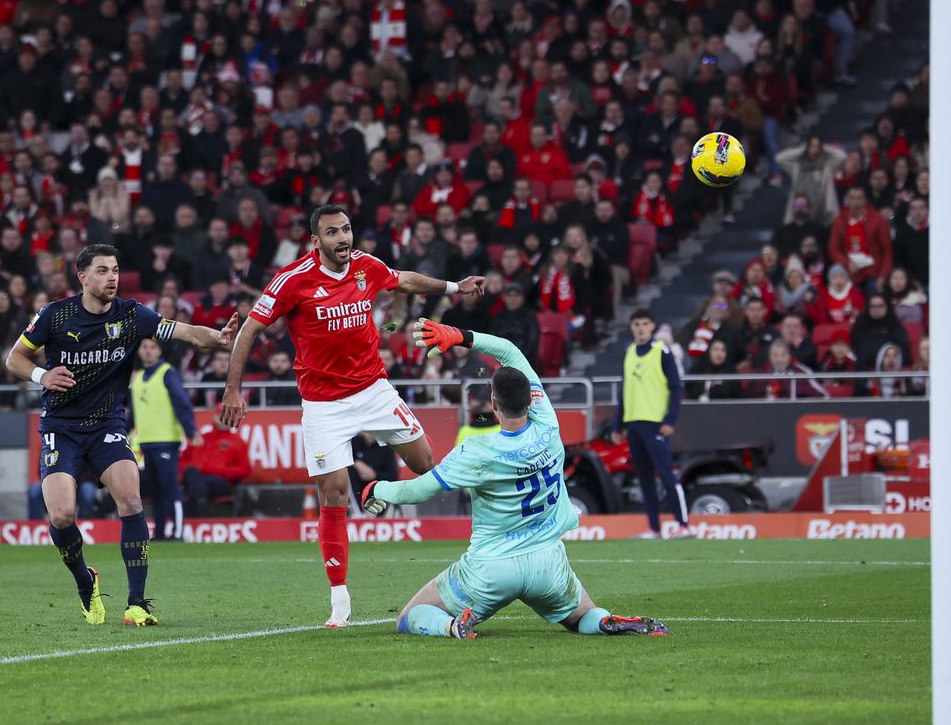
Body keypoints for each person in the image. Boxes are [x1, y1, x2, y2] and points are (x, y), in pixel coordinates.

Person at [218, 204, 486, 628]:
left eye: (346, 230)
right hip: (323, 404)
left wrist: (455, 286)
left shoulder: (366, 265)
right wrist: (232, 388)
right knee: (334, 495)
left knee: (427, 466)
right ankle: (339, 599)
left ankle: (380, 490)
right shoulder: (292, 280)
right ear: (315, 240)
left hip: (373, 391)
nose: (343, 239)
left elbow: (405, 281)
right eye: (333, 232)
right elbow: (250, 329)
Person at [360, 319, 669, 639]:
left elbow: (420, 489)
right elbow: (510, 352)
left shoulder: (478, 450)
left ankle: (453, 625)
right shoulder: (548, 424)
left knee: (412, 616)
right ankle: (605, 623)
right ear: (532, 399)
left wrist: (376, 488)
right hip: (547, 563)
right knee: (583, 616)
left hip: (492, 568)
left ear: (493, 405)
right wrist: (464, 336)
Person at [5, 243, 237, 627]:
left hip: (107, 425)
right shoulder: (55, 315)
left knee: (130, 500)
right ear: (82, 277)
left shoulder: (133, 315)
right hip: (61, 428)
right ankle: (85, 579)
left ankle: (137, 603)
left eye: (115, 269)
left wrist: (220, 338)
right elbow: (15, 357)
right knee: (62, 515)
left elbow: (186, 334)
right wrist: (41, 375)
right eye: (102, 270)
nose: (111, 277)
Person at [615, 309, 690, 539]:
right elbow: (624, 390)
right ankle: (654, 528)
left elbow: (677, 387)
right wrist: (618, 424)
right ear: (631, 327)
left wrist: (670, 420)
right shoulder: (629, 353)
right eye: (636, 323)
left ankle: (683, 525)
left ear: (652, 326)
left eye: (644, 323)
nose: (640, 328)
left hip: (655, 423)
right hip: (634, 423)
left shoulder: (662, 352)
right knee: (644, 477)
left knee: (667, 474)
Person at [130, 337, 201, 542]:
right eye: (144, 347)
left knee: (170, 489)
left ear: (159, 351)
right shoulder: (139, 377)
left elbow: (182, 402)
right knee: (156, 492)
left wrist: (190, 430)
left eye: (153, 347)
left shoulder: (167, 373)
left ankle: (178, 531)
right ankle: (160, 532)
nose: (148, 351)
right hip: (146, 442)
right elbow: (134, 412)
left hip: (166, 440)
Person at [180, 419, 252, 517]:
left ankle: (196, 509)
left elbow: (245, 470)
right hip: (197, 478)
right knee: (191, 473)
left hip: (219, 479)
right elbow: (183, 460)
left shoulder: (238, 442)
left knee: (199, 485)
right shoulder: (203, 438)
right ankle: (198, 505)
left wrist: (221, 471)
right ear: (214, 417)